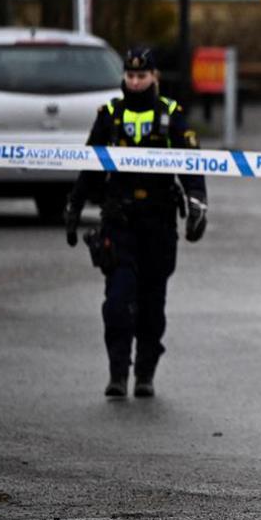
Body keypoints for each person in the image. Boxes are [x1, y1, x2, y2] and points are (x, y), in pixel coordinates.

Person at [65, 46, 208, 400]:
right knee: (117, 301)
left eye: (142, 76)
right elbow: (91, 164)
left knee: (151, 304)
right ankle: (118, 373)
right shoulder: (110, 115)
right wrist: (75, 205)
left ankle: (145, 373)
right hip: (120, 221)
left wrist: (197, 203)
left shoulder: (171, 114)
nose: (135, 81)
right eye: (130, 76)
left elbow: (192, 164)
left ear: (154, 77)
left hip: (158, 222)